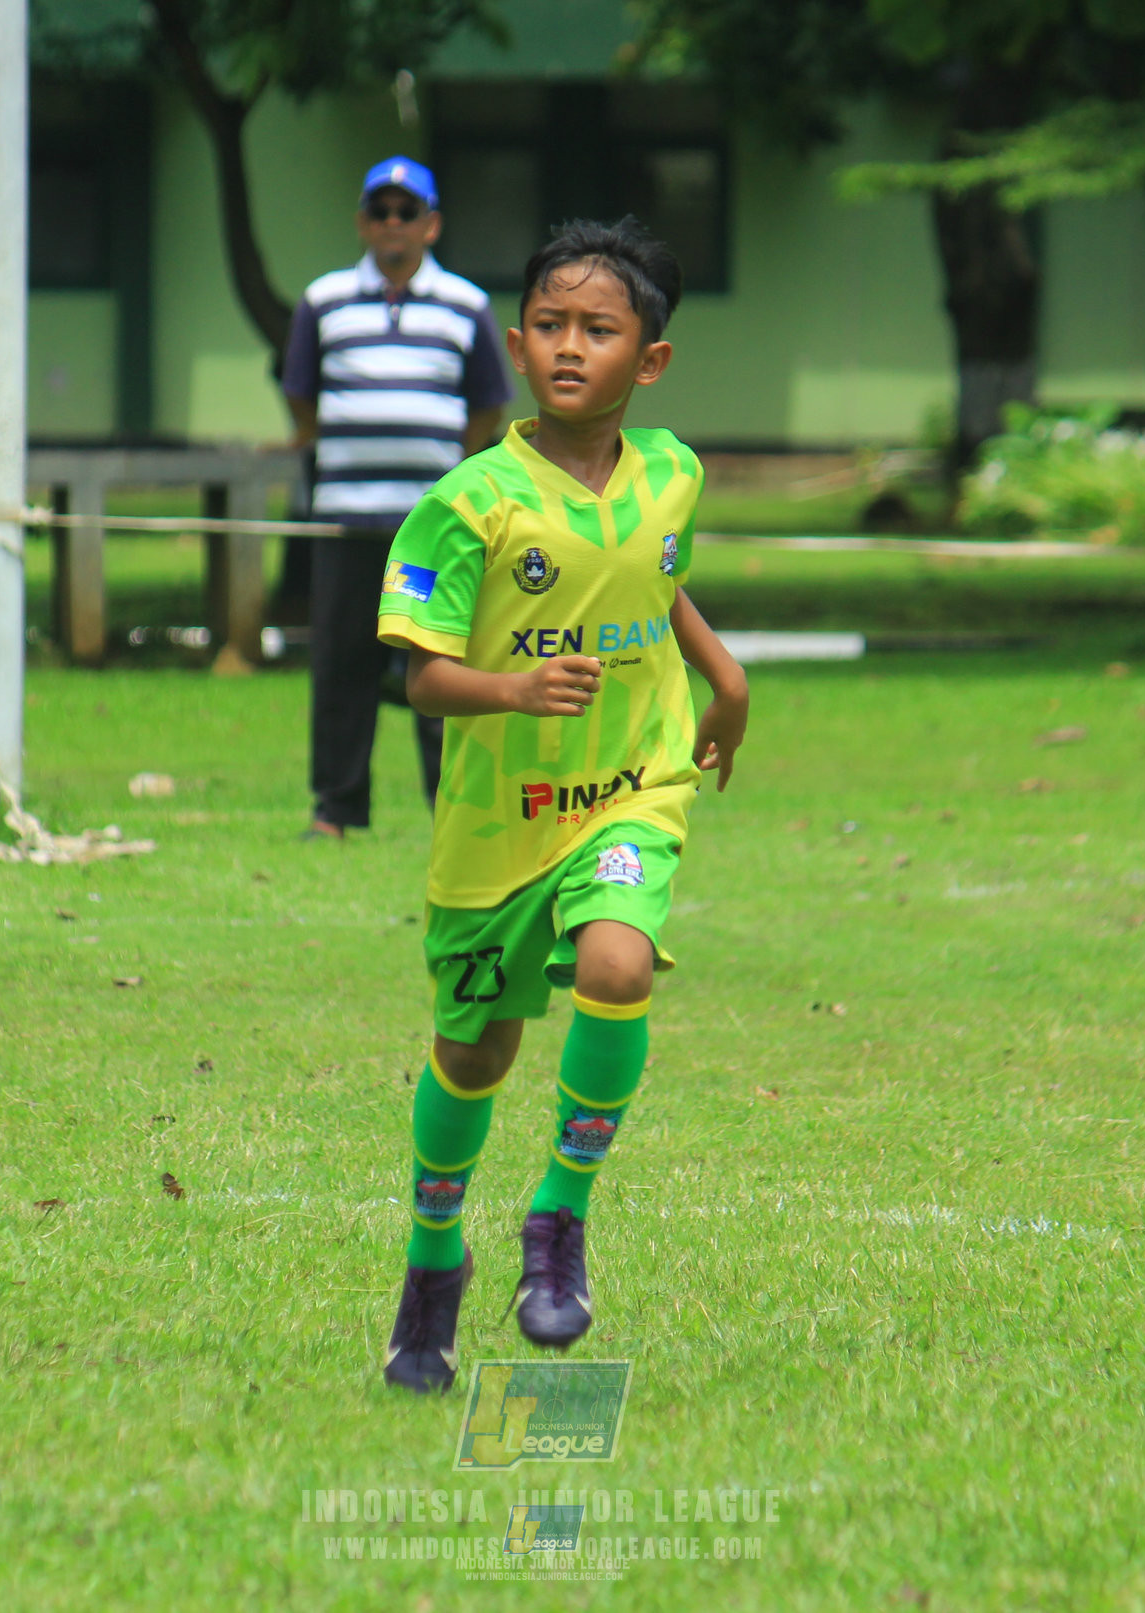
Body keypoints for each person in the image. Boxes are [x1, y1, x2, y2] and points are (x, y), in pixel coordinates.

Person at [372, 218, 750, 1393]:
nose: (569, 347)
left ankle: (558, 1216)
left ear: (651, 359)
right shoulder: (468, 501)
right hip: (498, 829)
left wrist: (722, 671)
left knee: (619, 967)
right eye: (548, 325)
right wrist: (514, 688)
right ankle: (436, 1257)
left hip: (634, 787)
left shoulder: (675, 472)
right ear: (514, 341)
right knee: (473, 1050)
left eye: (598, 328)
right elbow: (418, 674)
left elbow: (654, 578)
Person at [281, 156, 512, 842]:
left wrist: (446, 482)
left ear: (431, 225)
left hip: (431, 530)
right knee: (340, 667)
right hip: (346, 522)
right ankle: (336, 808)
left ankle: (452, 810)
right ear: (361, 222)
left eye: (406, 212)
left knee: (439, 664)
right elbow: (301, 394)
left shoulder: (466, 305)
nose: (391, 224)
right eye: (379, 211)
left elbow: (488, 407)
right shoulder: (323, 301)